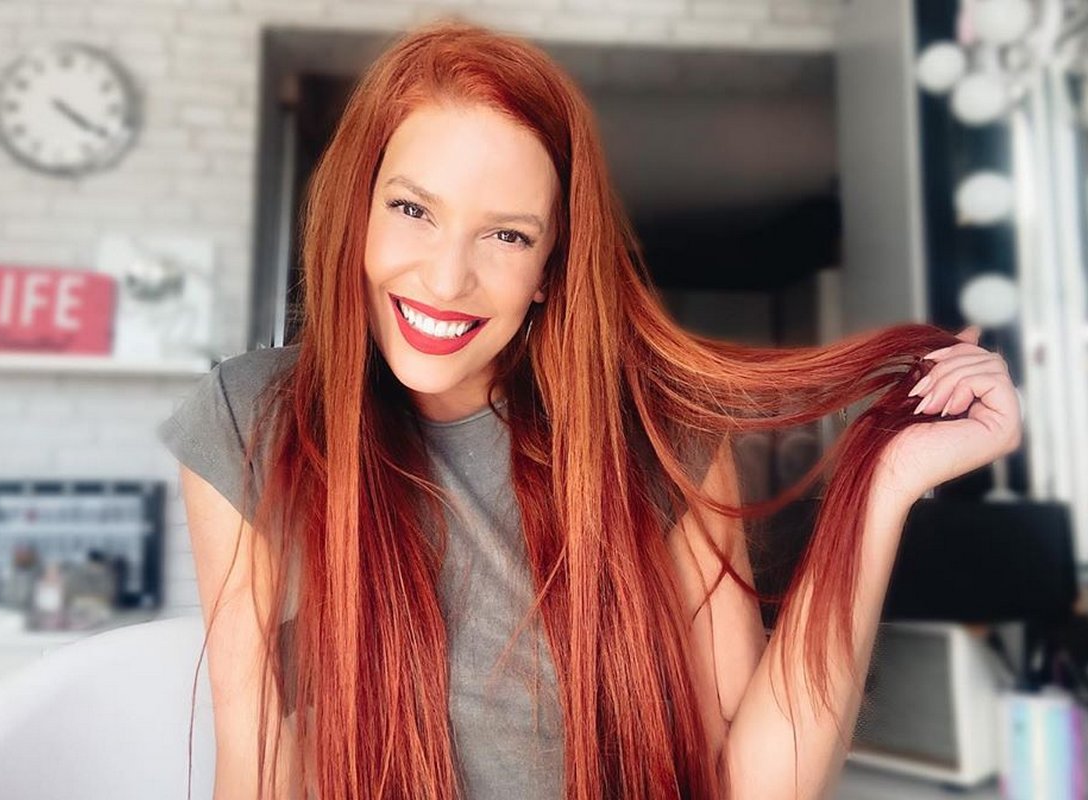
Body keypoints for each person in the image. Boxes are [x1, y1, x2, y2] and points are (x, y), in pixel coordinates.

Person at [157, 17, 1023, 800]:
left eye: (507, 234)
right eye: (413, 209)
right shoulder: (251, 418)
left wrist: (883, 485)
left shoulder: (660, 437)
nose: (447, 279)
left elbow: (758, 787)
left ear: (549, 270)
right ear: (360, 211)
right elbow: (257, 769)